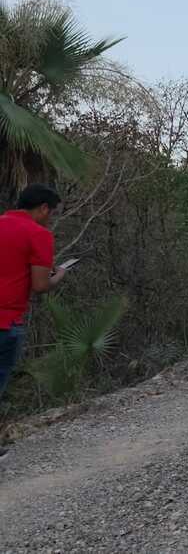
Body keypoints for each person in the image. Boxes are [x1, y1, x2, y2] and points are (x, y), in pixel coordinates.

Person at [0, 185, 68, 460]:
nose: (50, 217)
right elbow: (40, 285)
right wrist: (60, 274)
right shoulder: (38, 234)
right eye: (50, 212)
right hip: (6, 321)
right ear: (42, 208)